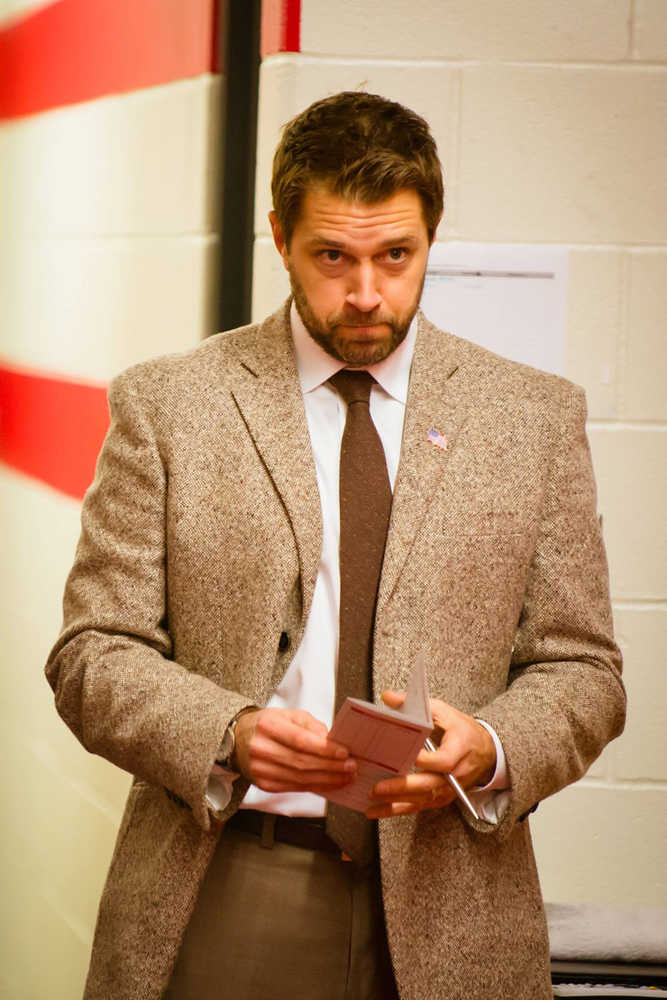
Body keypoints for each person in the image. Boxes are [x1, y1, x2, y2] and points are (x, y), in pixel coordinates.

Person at [46, 91, 626, 1000]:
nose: (365, 293)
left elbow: (584, 669)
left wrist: (492, 743)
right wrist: (224, 732)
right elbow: (90, 654)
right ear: (279, 238)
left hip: (458, 895)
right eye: (331, 257)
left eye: (396, 256)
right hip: (236, 879)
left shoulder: (533, 419)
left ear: (432, 237)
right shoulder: (168, 407)